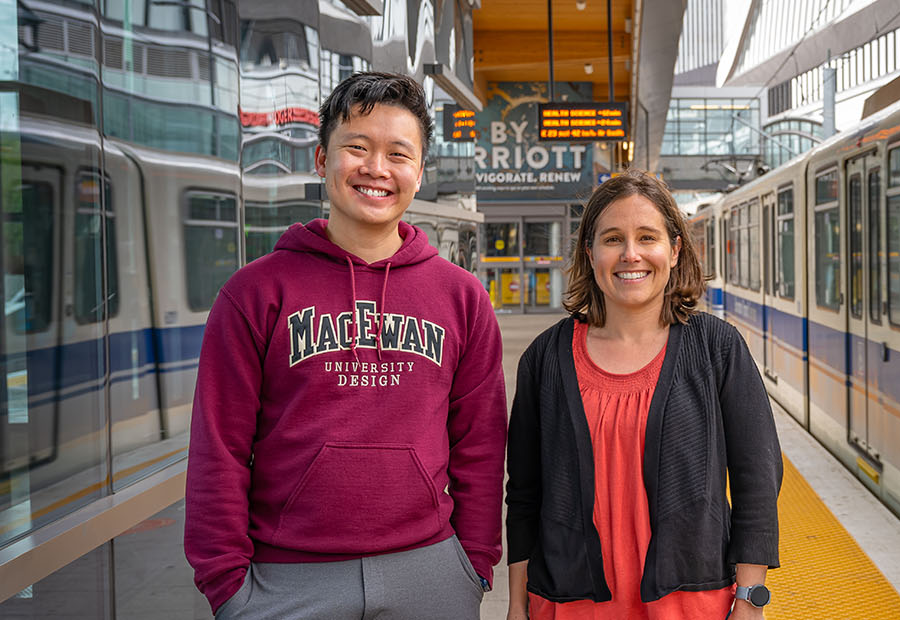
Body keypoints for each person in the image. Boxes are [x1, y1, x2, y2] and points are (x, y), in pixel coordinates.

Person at [184, 72, 507, 619]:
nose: (376, 168)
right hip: (284, 580)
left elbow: (480, 445)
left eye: (398, 154)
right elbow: (220, 447)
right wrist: (227, 584)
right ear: (320, 160)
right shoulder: (255, 293)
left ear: (419, 172)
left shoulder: (462, 298)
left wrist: (472, 563)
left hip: (429, 574)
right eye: (356, 148)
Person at [505, 170, 782, 620]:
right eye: (612, 238)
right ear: (590, 253)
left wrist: (750, 601)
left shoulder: (716, 349)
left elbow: (758, 480)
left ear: (673, 250)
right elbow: (524, 496)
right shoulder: (545, 361)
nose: (630, 254)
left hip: (691, 606)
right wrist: (518, 606)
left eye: (647, 237)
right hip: (568, 605)